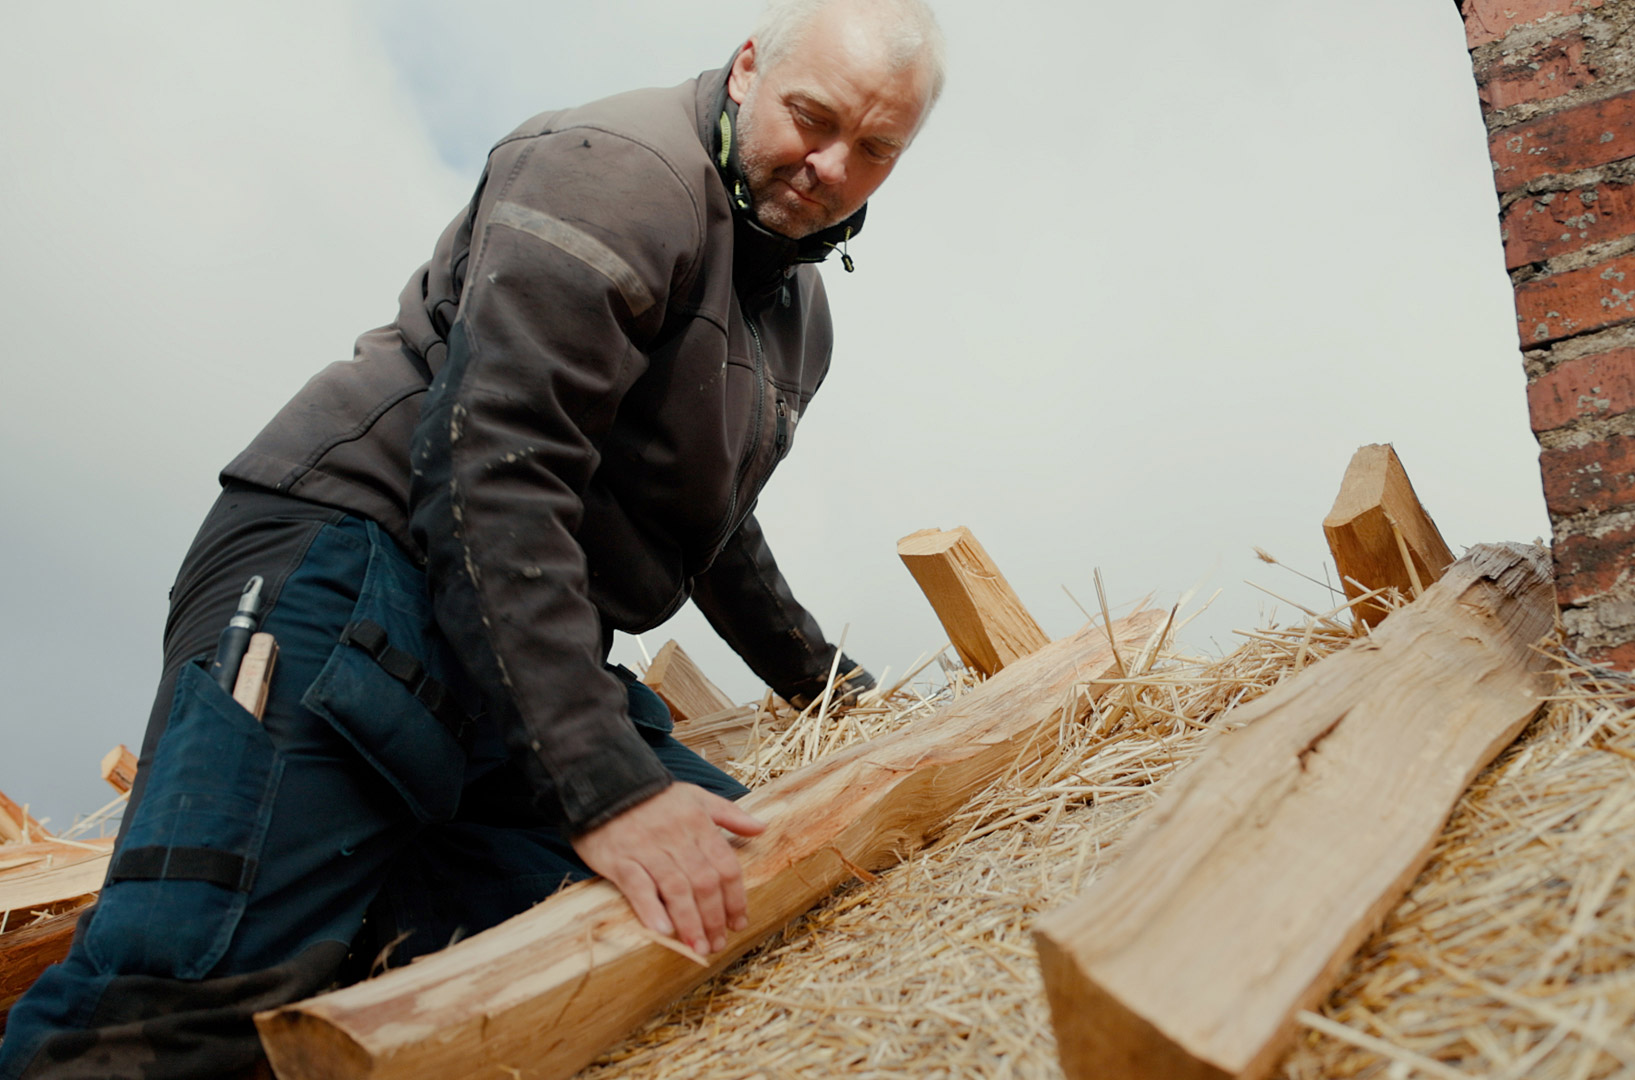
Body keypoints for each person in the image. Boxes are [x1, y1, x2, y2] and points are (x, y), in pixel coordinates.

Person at [0, 1, 944, 1076]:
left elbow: (710, 528)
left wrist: (844, 693)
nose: (829, 165)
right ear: (744, 73)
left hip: (507, 653)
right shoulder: (619, 172)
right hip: (355, 567)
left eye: (874, 149)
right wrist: (606, 788)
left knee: (739, 886)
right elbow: (490, 470)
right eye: (811, 118)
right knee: (191, 1012)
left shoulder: (797, 316)